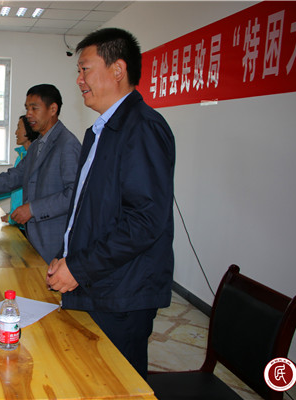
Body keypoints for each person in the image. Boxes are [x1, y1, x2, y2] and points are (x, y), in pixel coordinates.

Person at [45, 28, 175, 378]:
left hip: (122, 292)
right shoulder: (102, 131)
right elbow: (87, 209)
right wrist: (66, 255)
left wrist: (79, 267)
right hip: (100, 280)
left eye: (85, 69)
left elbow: (145, 221)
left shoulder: (143, 128)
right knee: (86, 376)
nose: (79, 80)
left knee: (115, 384)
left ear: (117, 70)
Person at [0, 84, 81, 263]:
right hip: (34, 237)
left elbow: (74, 194)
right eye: (27, 108)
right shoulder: (37, 145)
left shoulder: (67, 144)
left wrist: (32, 209)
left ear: (53, 109)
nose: (28, 114)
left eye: (34, 108)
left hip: (55, 242)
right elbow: (14, 177)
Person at [0, 115, 39, 230]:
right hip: (17, 222)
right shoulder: (20, 157)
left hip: (27, 225)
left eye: (19, 127)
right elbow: (14, 186)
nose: (16, 132)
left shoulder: (35, 159)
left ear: (28, 130)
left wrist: (12, 217)